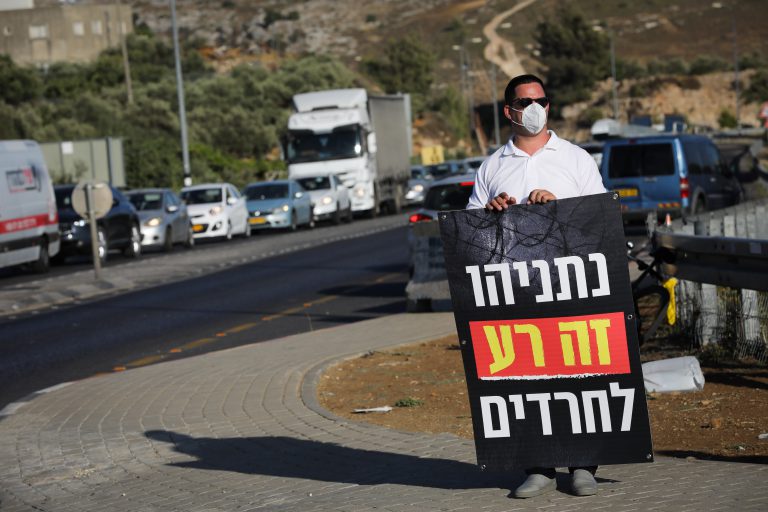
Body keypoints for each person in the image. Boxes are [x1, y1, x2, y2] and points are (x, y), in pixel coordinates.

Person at [466, 74, 607, 498]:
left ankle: (583, 466)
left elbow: (599, 218)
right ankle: (539, 467)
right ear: (508, 110)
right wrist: (490, 210)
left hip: (571, 288)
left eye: (540, 101)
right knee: (528, 378)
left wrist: (560, 207)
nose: (534, 109)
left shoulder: (576, 159)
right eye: (524, 102)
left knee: (579, 375)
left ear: (548, 105)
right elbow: (470, 233)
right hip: (518, 294)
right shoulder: (493, 166)